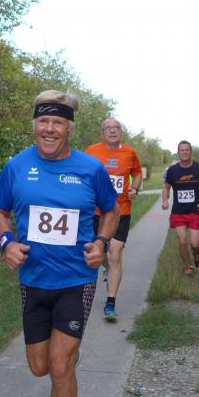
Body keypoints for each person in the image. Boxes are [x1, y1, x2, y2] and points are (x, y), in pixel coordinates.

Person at [0, 90, 119, 397]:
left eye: (58, 122)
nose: (49, 129)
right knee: (39, 367)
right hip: (33, 280)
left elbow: (111, 211)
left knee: (60, 366)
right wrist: (6, 242)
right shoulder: (16, 166)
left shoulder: (90, 168)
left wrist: (101, 242)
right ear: (34, 126)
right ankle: (67, 357)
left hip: (76, 280)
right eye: (43, 122)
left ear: (69, 129)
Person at [85, 117, 143, 322]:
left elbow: (137, 173)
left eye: (116, 127)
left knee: (115, 254)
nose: (112, 131)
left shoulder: (130, 153)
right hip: (96, 212)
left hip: (121, 211)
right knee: (100, 255)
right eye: (108, 128)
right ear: (102, 133)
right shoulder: (91, 152)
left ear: (121, 131)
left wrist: (134, 188)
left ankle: (110, 303)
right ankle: (109, 270)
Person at [161, 140, 199, 276]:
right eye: (182, 150)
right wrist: (165, 200)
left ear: (191, 151)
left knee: (195, 244)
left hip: (195, 211)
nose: (184, 152)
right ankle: (188, 266)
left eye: (187, 150)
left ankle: (196, 253)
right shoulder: (172, 170)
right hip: (178, 212)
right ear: (178, 152)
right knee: (182, 241)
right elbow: (166, 187)